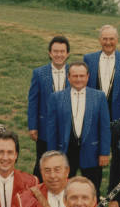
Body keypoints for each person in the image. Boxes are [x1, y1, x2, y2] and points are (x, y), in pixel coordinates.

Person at [46, 60, 111, 194]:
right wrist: (52, 155)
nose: (78, 79)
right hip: (66, 150)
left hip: (92, 150)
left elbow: (104, 127)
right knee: (63, 187)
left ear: (88, 77)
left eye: (82, 76)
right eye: (75, 76)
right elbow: (52, 129)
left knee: (93, 188)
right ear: (68, 77)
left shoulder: (99, 97)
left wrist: (104, 152)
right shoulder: (56, 97)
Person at [27, 35, 70, 178]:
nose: (59, 55)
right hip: (45, 126)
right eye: (55, 51)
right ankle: (37, 190)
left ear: (67, 54)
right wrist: (33, 126)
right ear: (50, 53)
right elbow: (33, 101)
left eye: (62, 51)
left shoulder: (74, 73)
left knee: (65, 161)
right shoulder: (39, 73)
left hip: (68, 127)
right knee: (43, 160)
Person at [83, 25, 120, 121]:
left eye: (111, 39)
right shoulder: (89, 59)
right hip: (93, 113)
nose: (108, 42)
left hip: (119, 114)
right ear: (99, 40)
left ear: (117, 40)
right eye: (105, 39)